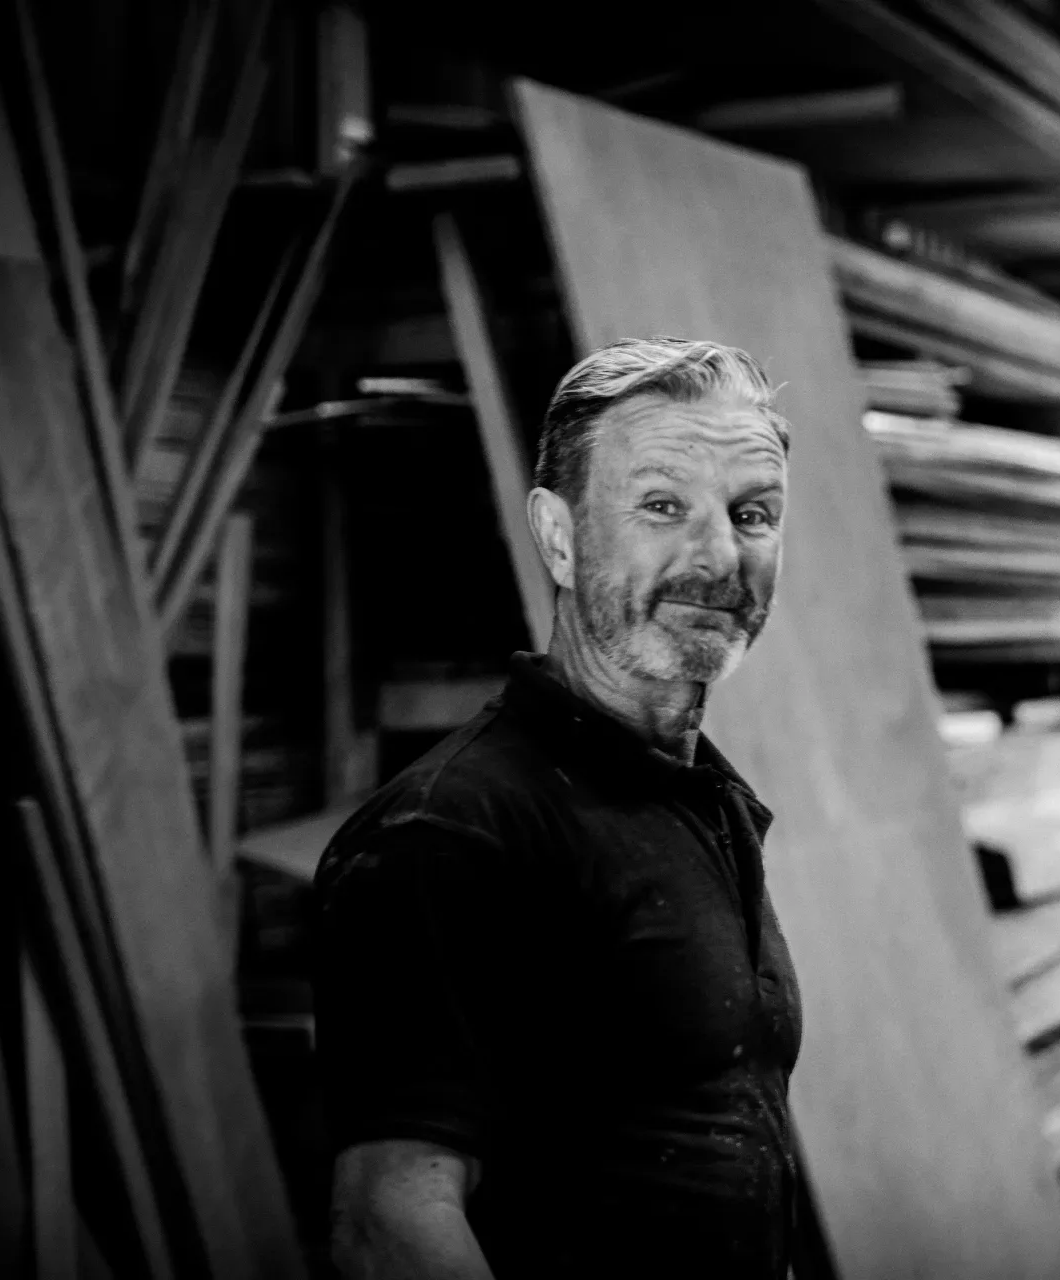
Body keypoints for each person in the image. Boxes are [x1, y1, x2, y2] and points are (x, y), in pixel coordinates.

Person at [314, 336, 804, 1278]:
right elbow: (389, 1228)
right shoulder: (453, 832)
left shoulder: (700, 805)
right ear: (559, 536)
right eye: (663, 506)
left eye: (753, 514)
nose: (718, 556)